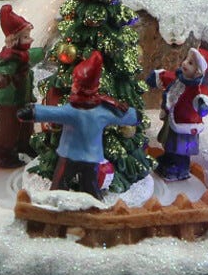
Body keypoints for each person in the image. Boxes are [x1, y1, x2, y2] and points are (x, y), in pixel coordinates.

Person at [17, 51, 137, 197]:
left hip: (69, 154)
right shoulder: (104, 110)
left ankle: (61, 202)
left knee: (61, 184)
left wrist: (32, 112)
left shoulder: (73, 111)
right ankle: (92, 204)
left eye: (76, 83)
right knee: (89, 185)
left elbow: (53, 113)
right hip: (91, 156)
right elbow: (125, 115)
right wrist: (134, 115)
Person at [145, 47, 208, 180]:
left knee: (182, 150)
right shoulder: (179, 78)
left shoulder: (197, 89)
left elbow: (203, 98)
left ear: (197, 71)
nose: (184, 63)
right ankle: (168, 158)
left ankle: (181, 168)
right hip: (173, 119)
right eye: (186, 60)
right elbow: (167, 77)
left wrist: (203, 105)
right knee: (170, 142)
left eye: (190, 63)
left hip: (186, 126)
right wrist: (156, 76)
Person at [0, 5, 46, 168]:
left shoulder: (23, 56)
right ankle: (1, 154)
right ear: (14, 40)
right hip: (8, 103)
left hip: (23, 100)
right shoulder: (9, 59)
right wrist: (0, 77)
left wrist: (46, 52)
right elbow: (0, 69)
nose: (30, 40)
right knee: (8, 129)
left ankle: (24, 145)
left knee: (26, 124)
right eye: (26, 37)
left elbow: (35, 54)